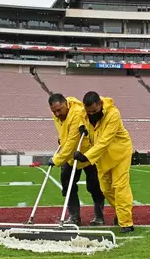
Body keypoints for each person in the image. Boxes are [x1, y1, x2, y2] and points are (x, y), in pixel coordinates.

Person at [73, 91, 135, 233]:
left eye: (94, 111)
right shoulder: (85, 113)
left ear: (100, 104)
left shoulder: (113, 114)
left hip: (119, 154)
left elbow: (105, 141)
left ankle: (126, 223)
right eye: (89, 112)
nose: (91, 114)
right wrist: (82, 125)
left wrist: (86, 157)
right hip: (102, 157)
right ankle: (121, 213)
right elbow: (82, 117)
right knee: (106, 189)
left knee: (120, 187)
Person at [47, 93, 105, 226]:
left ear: (65, 104)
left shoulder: (77, 113)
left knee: (94, 186)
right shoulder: (57, 115)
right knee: (67, 184)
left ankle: (99, 216)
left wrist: (56, 160)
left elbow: (72, 141)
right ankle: (74, 216)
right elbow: (65, 135)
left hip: (87, 153)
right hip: (70, 156)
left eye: (59, 110)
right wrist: (61, 140)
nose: (56, 114)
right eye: (53, 111)